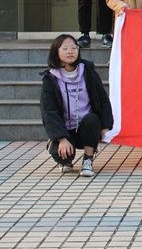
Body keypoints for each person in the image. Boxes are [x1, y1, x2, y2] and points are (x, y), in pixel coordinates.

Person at [40, 34, 113, 177]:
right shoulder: (50, 79)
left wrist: (105, 126)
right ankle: (64, 158)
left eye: (74, 47)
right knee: (62, 156)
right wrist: (61, 138)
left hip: (86, 127)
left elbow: (103, 99)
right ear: (56, 52)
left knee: (92, 119)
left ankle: (88, 159)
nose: (70, 51)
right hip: (66, 130)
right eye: (65, 48)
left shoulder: (88, 71)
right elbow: (49, 112)